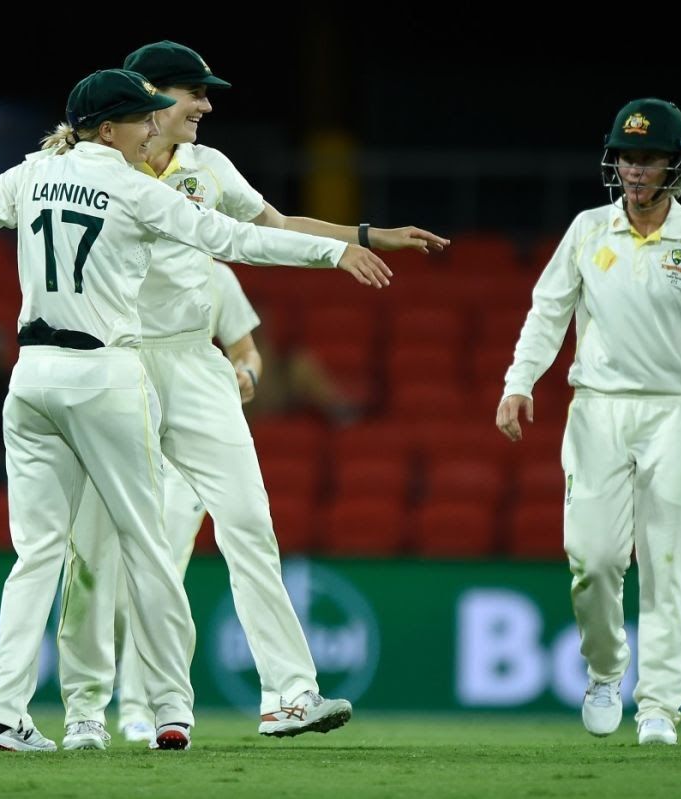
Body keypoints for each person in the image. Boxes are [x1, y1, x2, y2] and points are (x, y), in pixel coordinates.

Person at [0, 68, 393, 752]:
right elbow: (237, 240)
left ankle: (2, 711)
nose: (155, 126)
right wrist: (336, 250)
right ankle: (172, 708)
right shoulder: (131, 185)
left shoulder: (31, 172)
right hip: (104, 372)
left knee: (35, 556)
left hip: (30, 378)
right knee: (147, 544)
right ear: (109, 128)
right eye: (143, 118)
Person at [54, 40, 450, 751]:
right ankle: (87, 705)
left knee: (249, 523)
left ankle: (289, 693)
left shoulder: (209, 169)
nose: (205, 106)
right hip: (114, 365)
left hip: (194, 365)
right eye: (193, 93)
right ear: (146, 96)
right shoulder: (83, 169)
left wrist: (368, 235)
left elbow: (273, 227)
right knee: (93, 547)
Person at [495, 98, 681, 746]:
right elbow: (547, 311)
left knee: (668, 563)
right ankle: (606, 668)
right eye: (627, 157)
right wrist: (518, 382)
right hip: (598, 410)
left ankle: (660, 704)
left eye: (647, 159)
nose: (634, 171)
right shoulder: (587, 231)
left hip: (675, 412)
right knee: (595, 558)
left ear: (675, 166)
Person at [64, 260, 264, 744]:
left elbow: (248, 352)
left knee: (161, 576)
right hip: (118, 439)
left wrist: (247, 377)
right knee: (100, 582)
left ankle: (143, 706)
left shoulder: (215, 275)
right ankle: (88, 702)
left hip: (184, 461)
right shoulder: (115, 261)